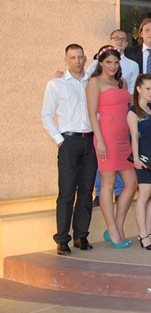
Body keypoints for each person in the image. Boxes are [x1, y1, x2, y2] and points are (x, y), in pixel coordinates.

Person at [42, 44, 97, 255]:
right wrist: (59, 140)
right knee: (66, 192)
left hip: (90, 141)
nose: (77, 61)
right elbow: (46, 115)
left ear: (85, 58)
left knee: (86, 191)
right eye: (72, 57)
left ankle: (81, 236)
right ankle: (62, 239)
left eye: (80, 57)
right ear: (66, 60)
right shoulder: (56, 84)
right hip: (69, 142)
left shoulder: (91, 82)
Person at [86, 45, 137, 249]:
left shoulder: (122, 81)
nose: (112, 66)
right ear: (100, 63)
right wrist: (100, 140)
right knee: (108, 183)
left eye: (116, 62)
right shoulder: (95, 82)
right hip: (106, 138)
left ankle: (117, 225)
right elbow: (92, 114)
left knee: (131, 183)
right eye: (108, 62)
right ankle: (113, 231)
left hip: (124, 138)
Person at [127, 74, 151, 250]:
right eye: (148, 88)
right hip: (143, 157)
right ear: (138, 89)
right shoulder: (133, 111)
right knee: (144, 195)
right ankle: (143, 234)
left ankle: (146, 232)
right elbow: (134, 136)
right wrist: (136, 158)